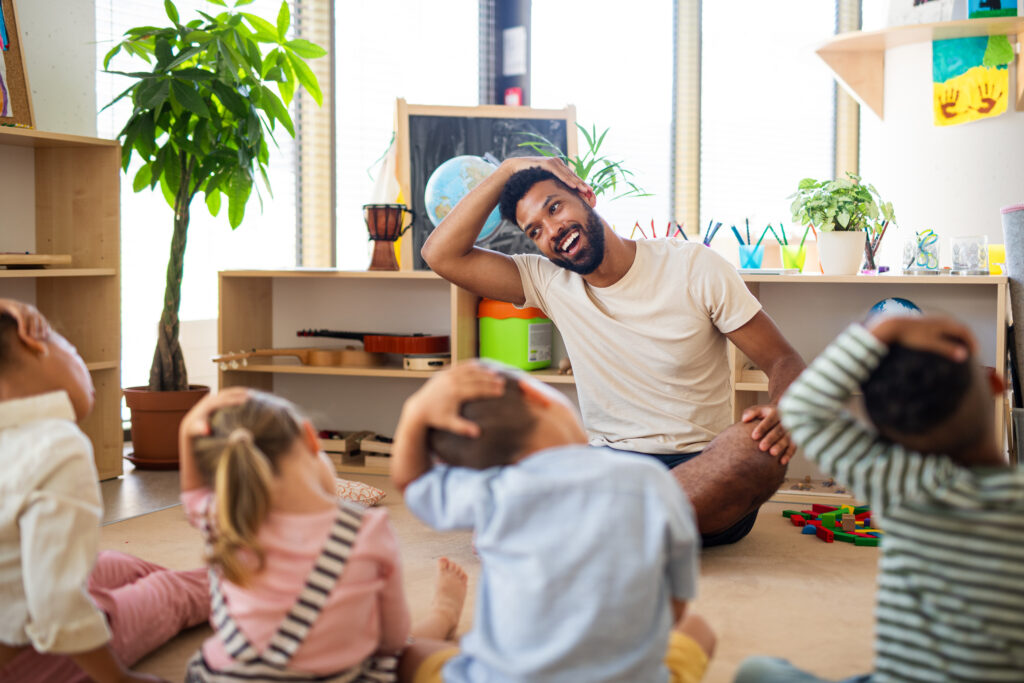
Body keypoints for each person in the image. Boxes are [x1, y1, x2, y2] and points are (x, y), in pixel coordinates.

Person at [421, 156, 805, 545]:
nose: (552, 230)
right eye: (534, 230)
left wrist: (785, 412)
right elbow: (441, 255)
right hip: (609, 469)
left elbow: (782, 359)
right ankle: (620, 527)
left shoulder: (694, 267)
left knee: (757, 449)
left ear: (585, 195)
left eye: (554, 207)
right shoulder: (548, 282)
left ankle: (585, 528)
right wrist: (506, 170)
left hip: (701, 468)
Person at [735, 315, 1024, 682]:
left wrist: (884, 329)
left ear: (883, 429)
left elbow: (801, 410)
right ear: (994, 383)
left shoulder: (900, 484)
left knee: (758, 671)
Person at [391, 361, 716, 683]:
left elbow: (410, 484)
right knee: (698, 630)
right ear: (536, 395)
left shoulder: (491, 493)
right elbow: (675, 607)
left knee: (408, 652)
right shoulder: (654, 482)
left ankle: (443, 614)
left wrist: (414, 411)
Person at [178, 387, 469, 682]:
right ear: (310, 438)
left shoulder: (222, 519)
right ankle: (443, 614)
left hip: (224, 678)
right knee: (408, 652)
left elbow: (191, 495)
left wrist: (187, 430)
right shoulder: (368, 530)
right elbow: (391, 641)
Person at [0, 299, 209, 683]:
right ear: (35, 342)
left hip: (16, 607)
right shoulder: (55, 447)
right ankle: (244, 586)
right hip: (31, 659)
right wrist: (118, 679)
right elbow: (57, 606)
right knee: (170, 592)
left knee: (115, 564)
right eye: (75, 353)